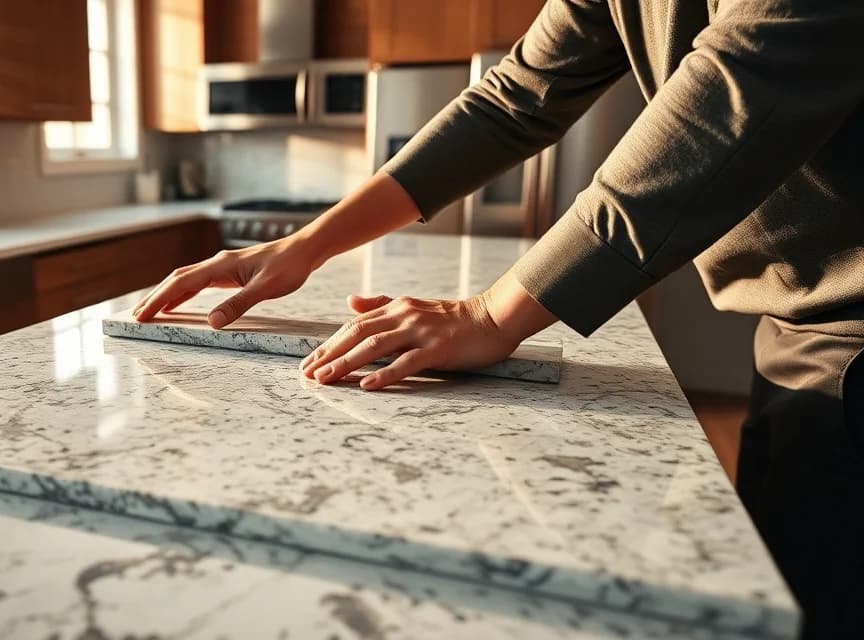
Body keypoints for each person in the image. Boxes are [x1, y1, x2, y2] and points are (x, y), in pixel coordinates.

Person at [135, 1, 864, 636]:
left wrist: (493, 311)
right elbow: (510, 99)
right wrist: (307, 244)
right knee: (784, 580)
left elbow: (736, 92)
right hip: (799, 318)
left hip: (854, 330)